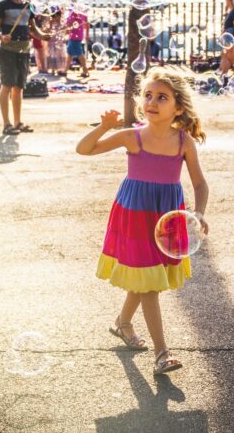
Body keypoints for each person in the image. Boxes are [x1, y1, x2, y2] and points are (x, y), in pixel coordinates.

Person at [76, 70, 209, 375]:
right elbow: (84, 149)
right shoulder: (132, 137)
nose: (151, 101)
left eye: (161, 97)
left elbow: (200, 184)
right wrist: (104, 126)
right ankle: (162, 353)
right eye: (148, 95)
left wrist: (198, 212)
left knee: (148, 276)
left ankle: (123, 323)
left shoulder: (183, 142)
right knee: (148, 283)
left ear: (178, 108)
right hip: (135, 214)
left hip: (166, 215)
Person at [0, 0, 50, 136]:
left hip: (24, 51)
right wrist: (2, 37)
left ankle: (17, 122)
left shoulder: (26, 5)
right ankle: (7, 124)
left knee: (19, 87)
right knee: (7, 85)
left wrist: (43, 35)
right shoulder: (2, 5)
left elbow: (32, 28)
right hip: (8, 51)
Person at [65, 9, 90, 78]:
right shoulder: (79, 11)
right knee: (70, 53)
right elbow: (86, 23)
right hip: (75, 35)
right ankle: (65, 70)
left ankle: (85, 71)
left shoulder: (74, 12)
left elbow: (69, 23)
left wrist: (67, 28)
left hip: (75, 35)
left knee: (79, 53)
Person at [46, 11, 67, 76]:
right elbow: (48, 32)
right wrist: (51, 23)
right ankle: (53, 69)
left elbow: (65, 32)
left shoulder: (62, 24)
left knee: (59, 56)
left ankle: (60, 69)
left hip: (59, 43)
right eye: (56, 17)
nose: (58, 18)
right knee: (53, 55)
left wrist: (65, 31)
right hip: (52, 43)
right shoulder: (51, 24)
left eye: (59, 17)